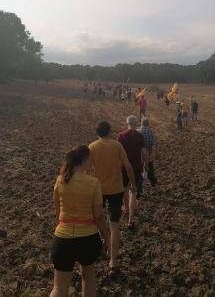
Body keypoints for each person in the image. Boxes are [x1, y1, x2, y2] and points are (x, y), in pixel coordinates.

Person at [50, 145, 109, 297]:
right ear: (84, 160)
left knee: (58, 288)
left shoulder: (60, 181)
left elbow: (58, 212)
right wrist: (107, 237)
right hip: (88, 239)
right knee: (88, 278)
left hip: (63, 238)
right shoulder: (93, 182)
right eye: (90, 160)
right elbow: (99, 215)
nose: (91, 163)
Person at [89, 122, 135, 275]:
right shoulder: (117, 145)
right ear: (109, 131)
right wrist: (133, 183)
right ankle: (113, 262)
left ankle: (103, 242)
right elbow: (128, 166)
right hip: (116, 189)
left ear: (97, 132)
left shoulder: (92, 147)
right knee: (115, 225)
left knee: (97, 220)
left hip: (98, 191)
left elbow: (87, 170)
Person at [118, 115, 147, 230]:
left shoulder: (121, 135)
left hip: (124, 166)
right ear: (136, 123)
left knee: (124, 189)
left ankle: (126, 207)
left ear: (127, 123)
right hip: (136, 167)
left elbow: (118, 152)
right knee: (133, 191)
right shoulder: (140, 136)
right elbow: (144, 152)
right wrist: (145, 164)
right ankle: (131, 219)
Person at [138, 117, 157, 187]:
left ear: (141, 123)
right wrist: (153, 154)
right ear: (148, 124)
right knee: (150, 168)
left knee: (139, 170)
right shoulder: (151, 132)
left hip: (139, 155)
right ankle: (153, 183)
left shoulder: (137, 131)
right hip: (148, 154)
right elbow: (154, 144)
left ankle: (140, 185)